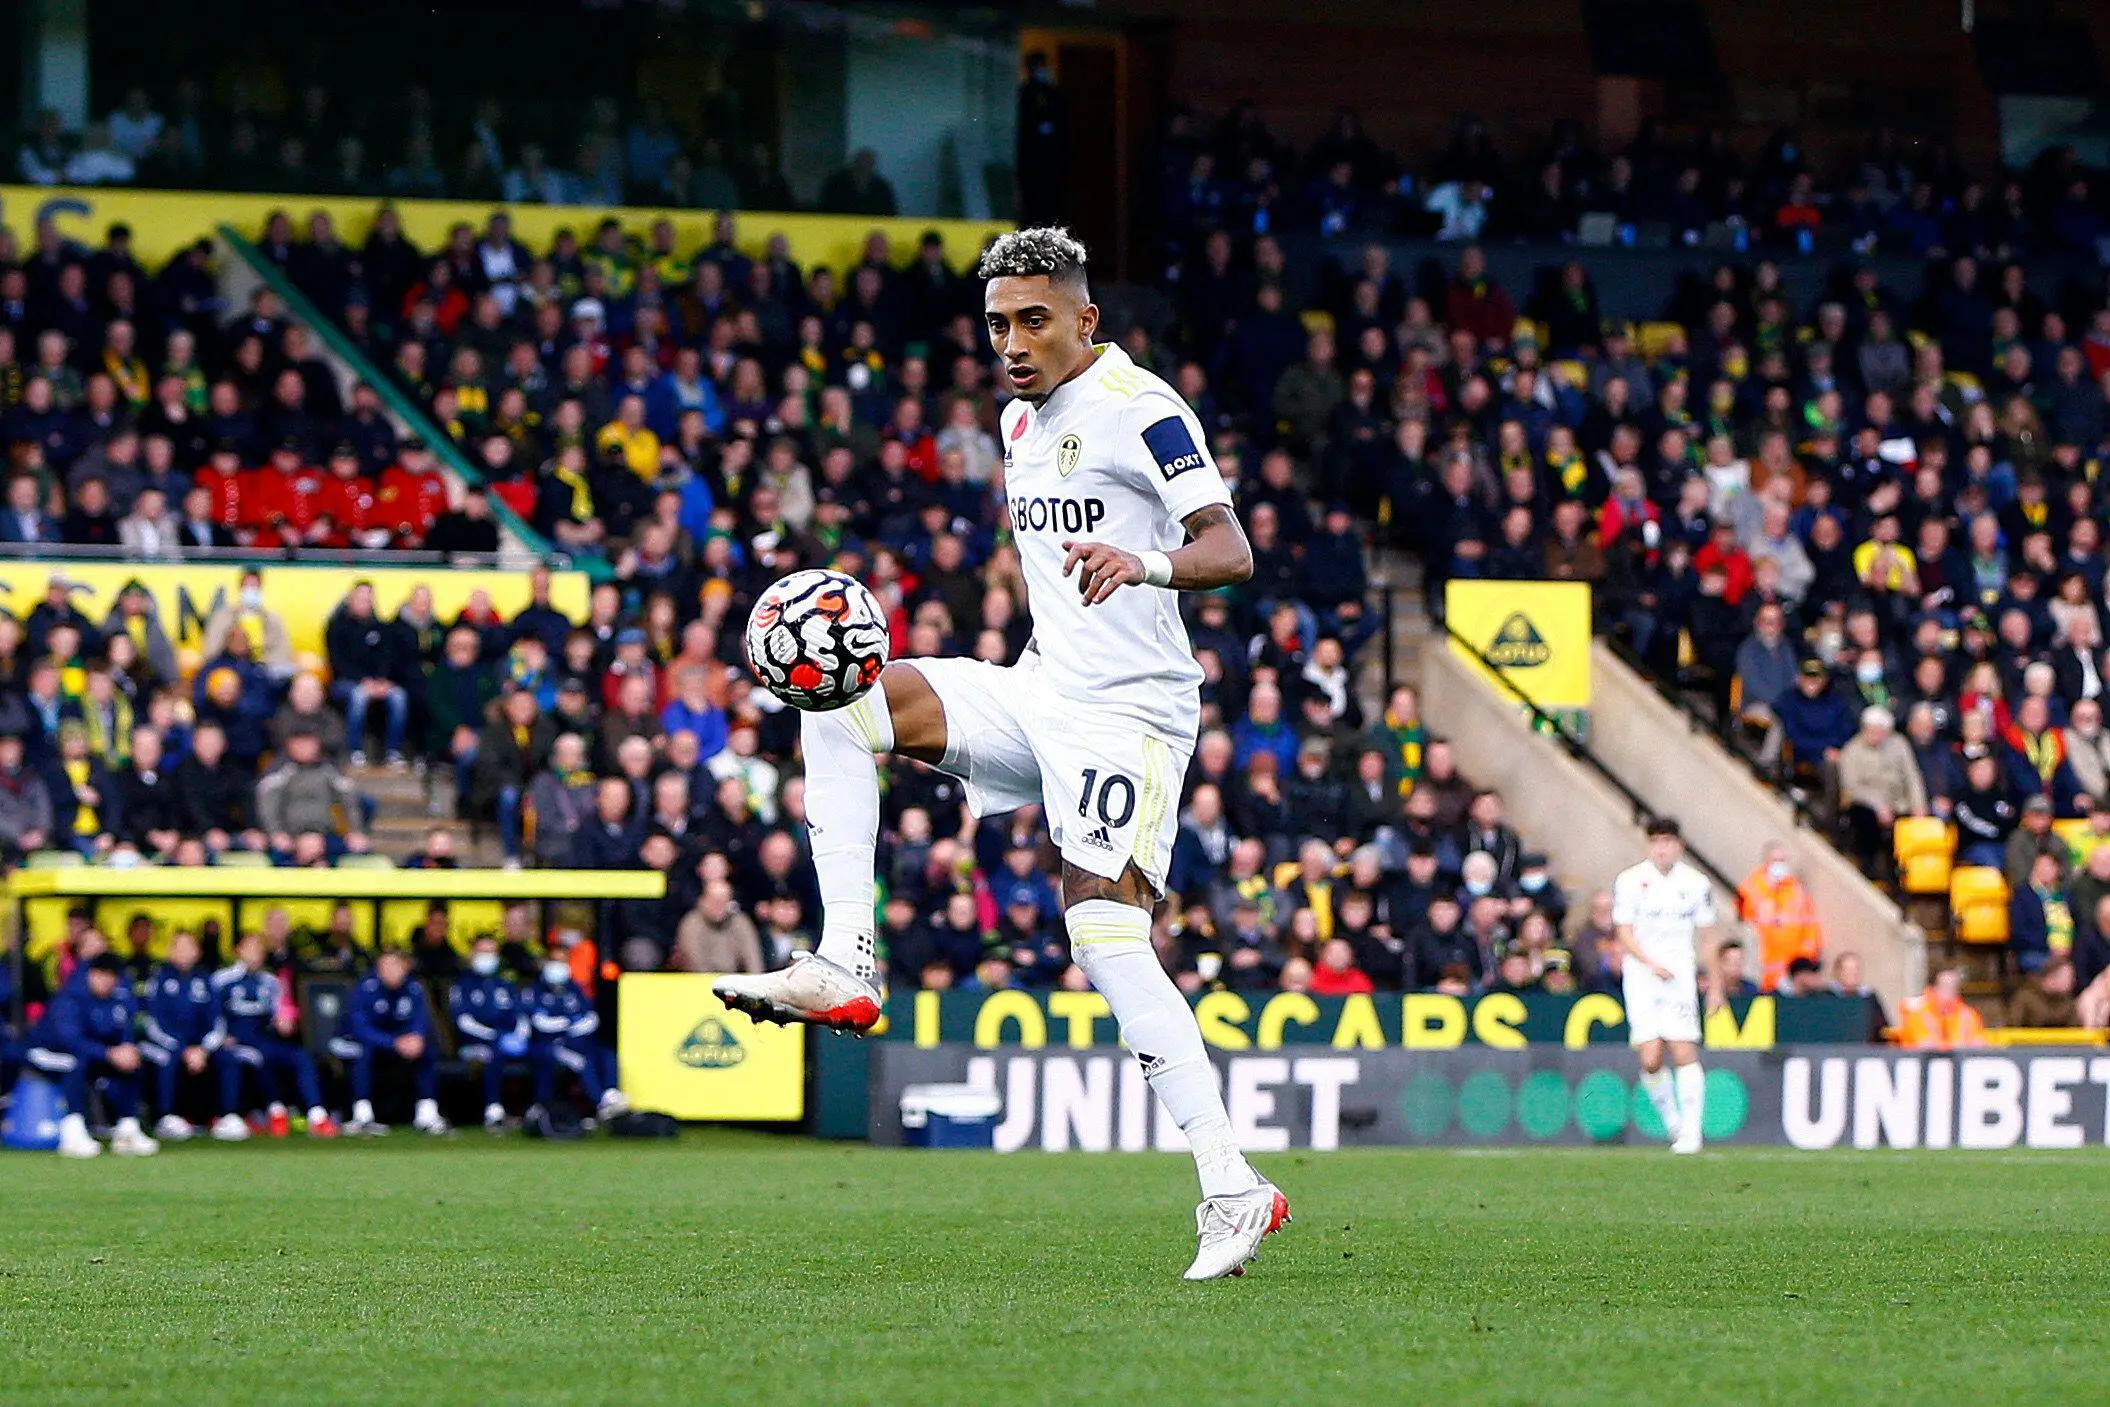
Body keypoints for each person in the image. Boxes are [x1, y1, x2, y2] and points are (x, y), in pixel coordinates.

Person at [713, 228, 1286, 1280]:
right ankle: (847, 958)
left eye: (1032, 320)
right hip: (1041, 692)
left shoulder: (1145, 409)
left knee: (1107, 943)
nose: (1012, 342)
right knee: (839, 701)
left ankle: (1232, 1185)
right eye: (996, 325)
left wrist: (1145, 561)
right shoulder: (1024, 419)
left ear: (1084, 320)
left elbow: (1231, 548)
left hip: (1129, 717)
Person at [1613, 817, 1720, 1155]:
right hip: (1642, 976)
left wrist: (1715, 986)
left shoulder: (1696, 883)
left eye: (1668, 841)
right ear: (1649, 846)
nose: (1662, 848)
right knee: (1650, 1059)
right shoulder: (1630, 881)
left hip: (1678, 977)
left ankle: (1692, 1132)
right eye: (1656, 841)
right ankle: (1673, 1121)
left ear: (1680, 846)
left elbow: (1707, 938)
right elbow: (1624, 933)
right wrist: (1649, 963)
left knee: (1684, 1049)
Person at [24, 951, 161, 1157]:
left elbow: (124, 1033)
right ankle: (73, 1132)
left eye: (111, 976)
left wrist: (125, 1051)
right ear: (91, 974)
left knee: (133, 1064)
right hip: (46, 1052)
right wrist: (109, 1053)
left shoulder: (119, 1001)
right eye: (101, 974)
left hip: (92, 1054)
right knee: (74, 1064)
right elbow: (70, 1040)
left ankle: (127, 1130)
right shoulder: (70, 998)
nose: (106, 981)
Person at [212, 931, 337, 1139]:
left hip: (262, 1040)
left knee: (299, 1056)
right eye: (250, 948)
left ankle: (317, 1114)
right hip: (233, 1043)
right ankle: (271, 1111)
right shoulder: (222, 980)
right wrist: (219, 1037)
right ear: (238, 951)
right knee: (254, 1058)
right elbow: (212, 1015)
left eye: (259, 950)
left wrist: (283, 1022)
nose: (255, 954)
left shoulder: (271, 982)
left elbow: (279, 1012)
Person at [330, 948, 447, 1135]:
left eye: (394, 966)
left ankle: (427, 1114)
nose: (389, 971)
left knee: (427, 1050)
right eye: (384, 966)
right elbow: (360, 1029)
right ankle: (362, 1116)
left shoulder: (413, 988)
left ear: (405, 967)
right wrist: (394, 1043)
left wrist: (416, 1037)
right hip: (352, 1041)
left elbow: (421, 1019)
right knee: (362, 1051)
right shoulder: (365, 988)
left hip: (395, 1043)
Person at [523, 946, 627, 1123]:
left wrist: (569, 1026)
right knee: (579, 1061)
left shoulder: (575, 989)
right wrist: (569, 1023)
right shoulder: (534, 991)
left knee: (606, 1053)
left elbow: (591, 1019)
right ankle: (601, 1104)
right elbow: (539, 1022)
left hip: (576, 1041)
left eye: (563, 962)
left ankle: (611, 1094)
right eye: (555, 961)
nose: (559, 966)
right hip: (548, 1045)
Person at [140, 929, 219, 1141]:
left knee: (228, 1057)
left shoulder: (206, 980)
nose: (184, 952)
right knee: (166, 1059)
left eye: (189, 947)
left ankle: (225, 1115)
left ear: (198, 952)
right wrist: (183, 1049)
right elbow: (153, 1024)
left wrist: (203, 1049)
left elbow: (217, 1022)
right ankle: (165, 1116)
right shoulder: (158, 979)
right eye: (179, 947)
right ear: (170, 951)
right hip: (165, 1044)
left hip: (199, 1046)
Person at [450, 934, 526, 1130]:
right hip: (473, 1045)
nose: (487, 957)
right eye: (483, 952)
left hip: (509, 1042)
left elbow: (520, 1016)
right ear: (473, 954)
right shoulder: (462, 985)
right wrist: (495, 1036)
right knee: (492, 1054)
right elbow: (463, 1022)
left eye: (491, 952)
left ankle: (539, 1110)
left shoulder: (504, 985)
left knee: (543, 1053)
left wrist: (519, 1035)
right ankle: (494, 1111)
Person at [1736, 841, 1822, 990]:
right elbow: (1743, 919)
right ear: (1766, 862)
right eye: (1775, 860)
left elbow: (1810, 926)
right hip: (1762, 972)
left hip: (1793, 973)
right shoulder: (1752, 888)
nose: (1779, 865)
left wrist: (1805, 962)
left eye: (1782, 860)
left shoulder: (1796, 890)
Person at [1898, 966, 1988, 1049]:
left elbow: (1980, 1043)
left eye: (1954, 987)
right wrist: (1960, 1045)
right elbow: (1925, 1046)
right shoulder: (1917, 1013)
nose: (1951, 992)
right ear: (1933, 989)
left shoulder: (1968, 1015)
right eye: (1945, 987)